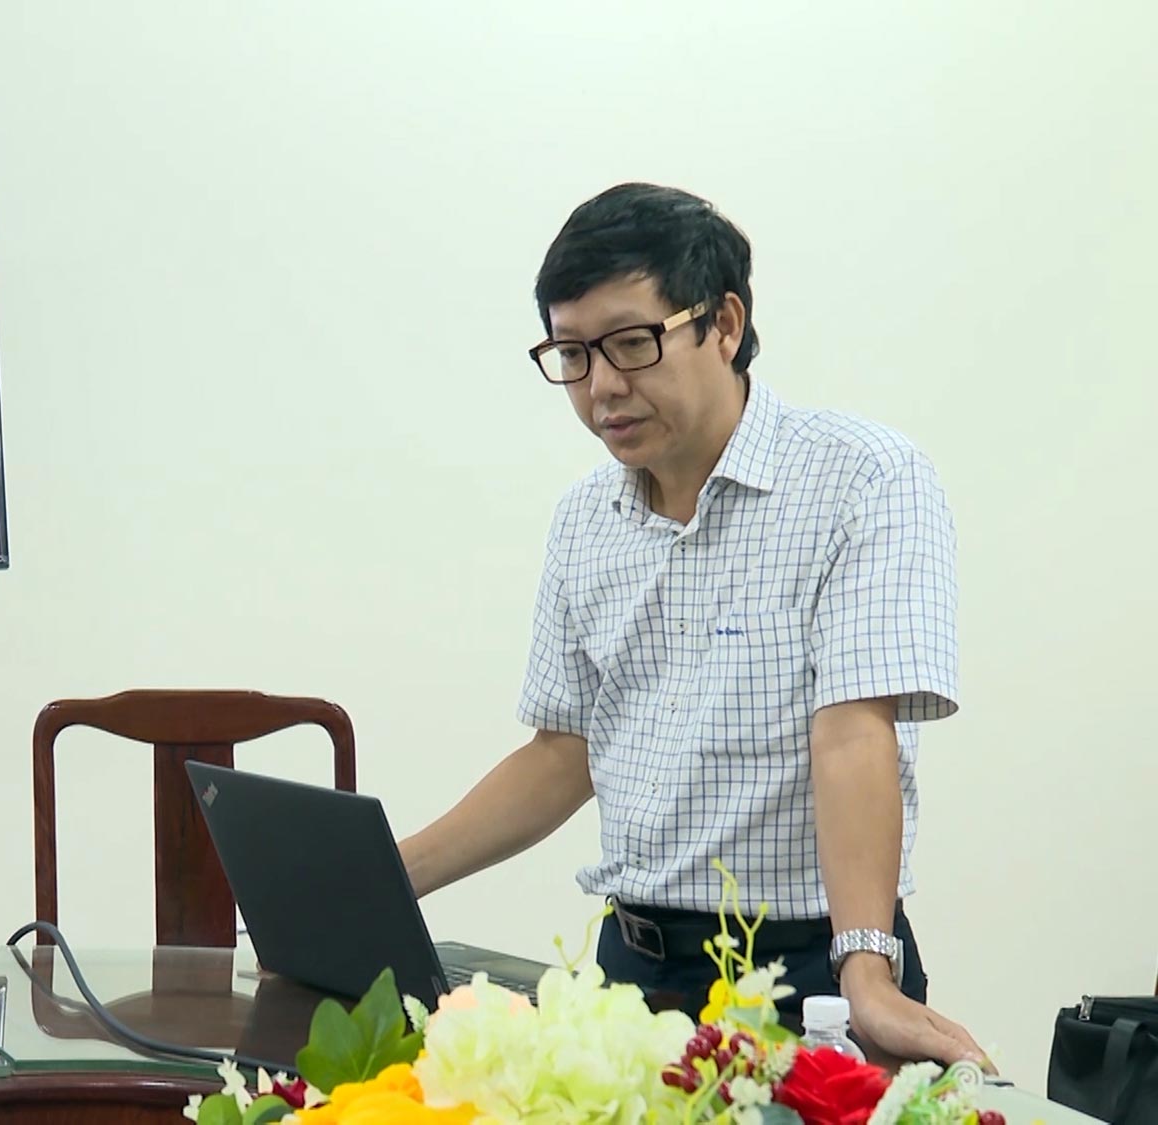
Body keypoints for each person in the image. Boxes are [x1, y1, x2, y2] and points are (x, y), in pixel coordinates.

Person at [398, 182, 988, 1069]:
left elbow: (851, 734)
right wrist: (385, 880)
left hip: (805, 973)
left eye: (632, 343)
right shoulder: (584, 519)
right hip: (628, 970)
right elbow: (565, 752)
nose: (603, 386)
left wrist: (867, 971)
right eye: (572, 353)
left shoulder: (862, 479)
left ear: (724, 324)